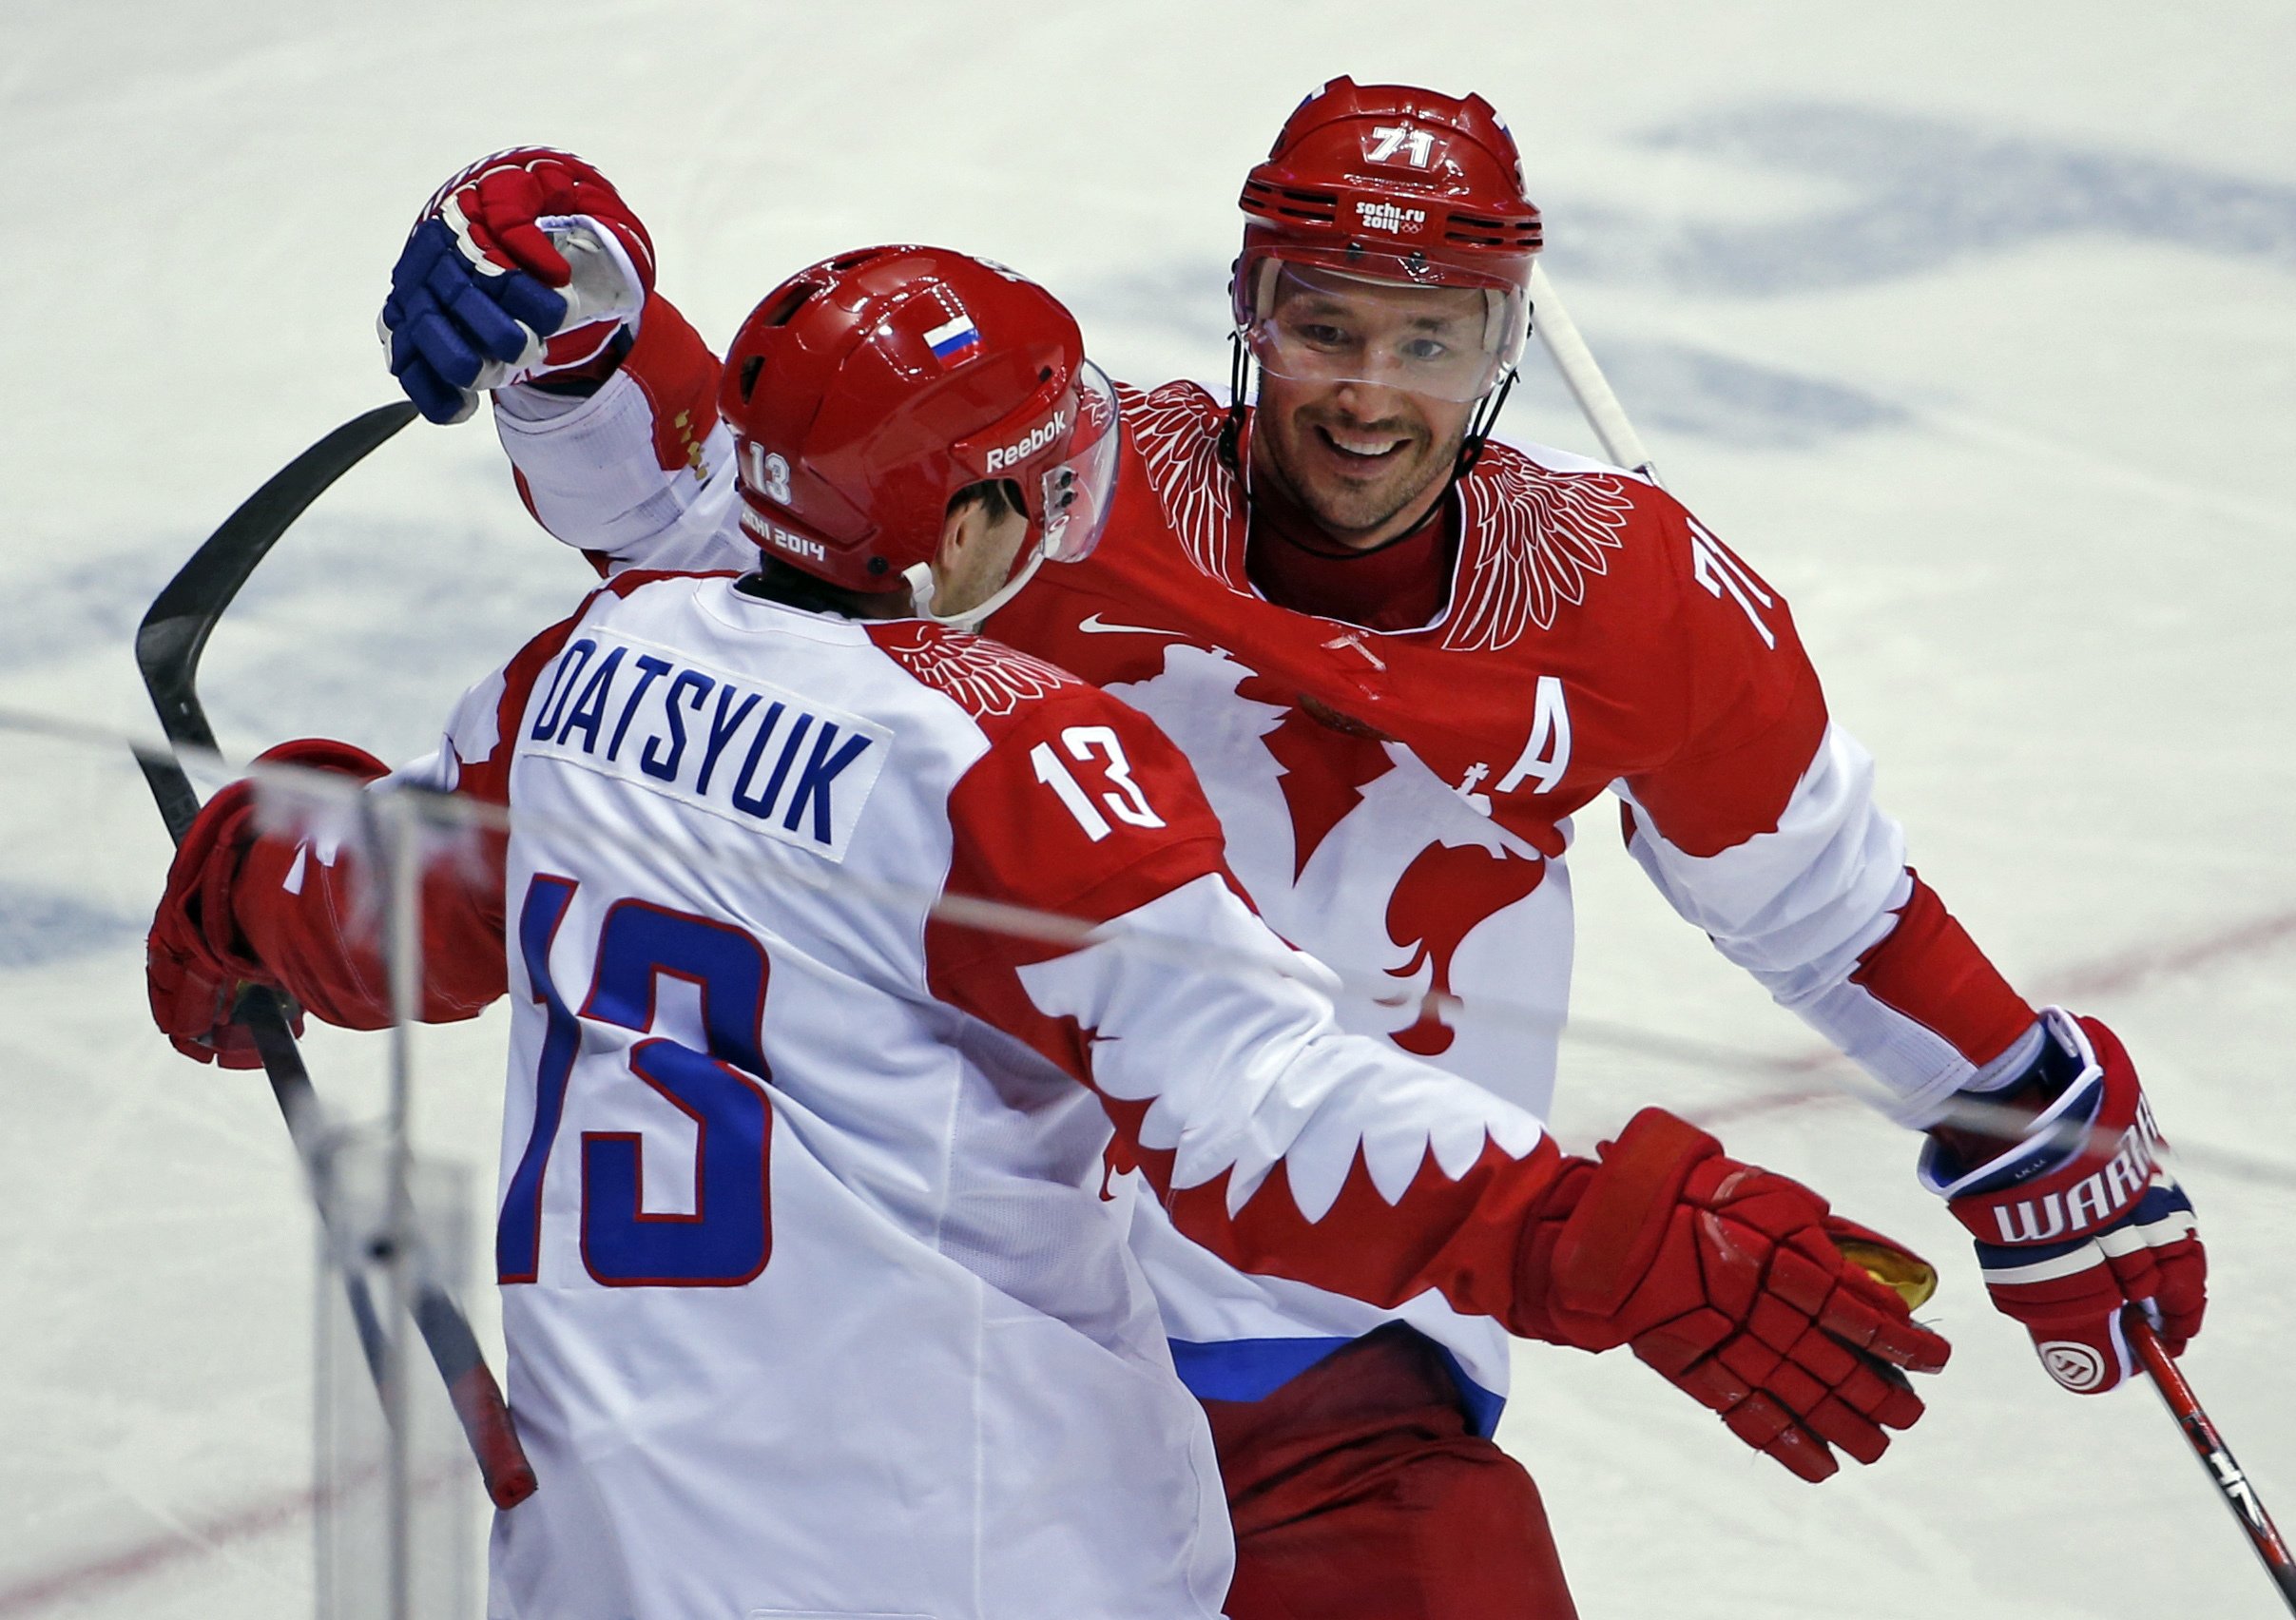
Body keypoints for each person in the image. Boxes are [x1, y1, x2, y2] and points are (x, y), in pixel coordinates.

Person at [365, 93, 2206, 1618]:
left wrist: (2031, 1121)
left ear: (1501, 349)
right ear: (1249, 312)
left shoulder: (1634, 600)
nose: (1365, 391)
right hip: (1016, 1340)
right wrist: (590, 336)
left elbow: (1824, 908)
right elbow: (726, 530)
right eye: (1323, 324)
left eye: (1428, 341)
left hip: (1346, 1347)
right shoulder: (1056, 489)